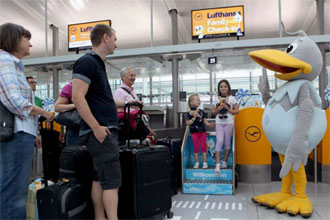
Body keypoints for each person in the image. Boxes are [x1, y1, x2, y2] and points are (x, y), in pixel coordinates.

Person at [72, 24, 138, 220]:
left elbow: (101, 99)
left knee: (99, 179)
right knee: (111, 182)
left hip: (102, 131)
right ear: (105, 38)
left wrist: (130, 102)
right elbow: (77, 97)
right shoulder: (87, 62)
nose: (116, 44)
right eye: (115, 39)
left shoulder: (98, 64)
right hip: (101, 132)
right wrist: (96, 127)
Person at [0, 23, 54, 220]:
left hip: (20, 134)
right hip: (16, 134)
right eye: (26, 39)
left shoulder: (13, 65)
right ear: (13, 39)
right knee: (13, 193)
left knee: (13, 190)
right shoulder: (4, 61)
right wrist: (43, 112)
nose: (30, 44)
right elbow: (13, 99)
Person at [113, 66, 156, 137]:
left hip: (136, 125)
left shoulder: (132, 91)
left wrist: (148, 128)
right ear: (123, 77)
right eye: (131, 75)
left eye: (135, 75)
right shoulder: (119, 92)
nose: (134, 78)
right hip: (127, 128)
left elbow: (138, 111)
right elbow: (118, 112)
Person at [212, 79, 239, 174]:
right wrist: (218, 109)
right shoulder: (216, 99)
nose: (223, 88)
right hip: (219, 122)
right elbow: (213, 112)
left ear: (228, 88)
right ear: (219, 88)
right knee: (219, 141)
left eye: (225, 86)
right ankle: (218, 164)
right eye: (221, 87)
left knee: (227, 142)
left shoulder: (232, 99)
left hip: (229, 122)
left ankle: (225, 161)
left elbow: (237, 111)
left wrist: (228, 109)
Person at [186, 94, 215, 169]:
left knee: (203, 147)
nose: (199, 101)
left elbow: (204, 120)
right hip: (194, 132)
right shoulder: (189, 113)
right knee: (196, 147)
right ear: (191, 103)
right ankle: (197, 163)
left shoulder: (202, 111)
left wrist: (208, 124)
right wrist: (194, 118)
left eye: (199, 100)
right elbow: (187, 123)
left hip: (202, 131)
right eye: (197, 100)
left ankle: (205, 163)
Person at [54, 82, 81, 147]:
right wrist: (76, 105)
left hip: (95, 127)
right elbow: (57, 107)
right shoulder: (70, 87)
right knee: (74, 154)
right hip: (75, 128)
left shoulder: (97, 86)